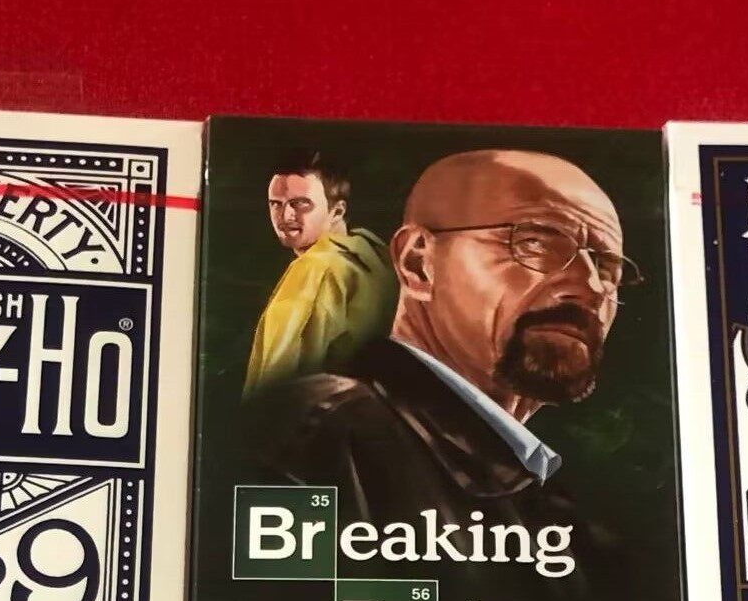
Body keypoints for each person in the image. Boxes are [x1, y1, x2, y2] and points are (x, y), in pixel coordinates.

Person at [252, 148, 639, 528]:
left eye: (606, 267)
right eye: (536, 243)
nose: (592, 287)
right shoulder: (323, 433)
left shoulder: (543, 492)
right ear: (417, 263)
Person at [243, 152, 395, 392]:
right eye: (276, 204)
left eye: (300, 203)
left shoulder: (316, 267)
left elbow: (274, 386)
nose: (285, 216)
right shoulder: (375, 257)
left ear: (338, 211)